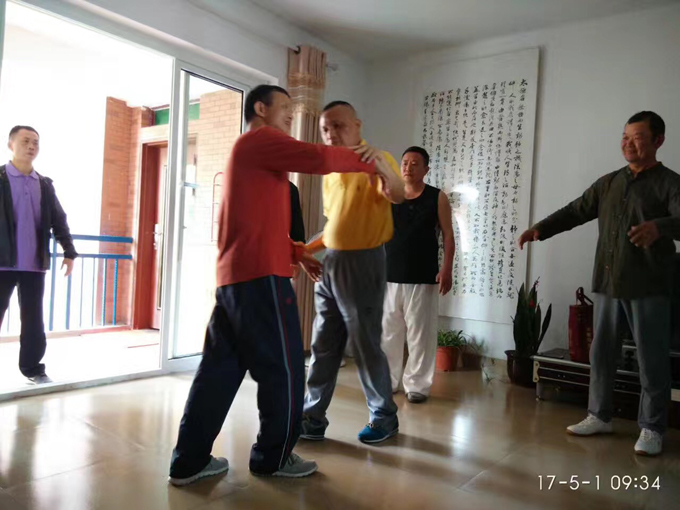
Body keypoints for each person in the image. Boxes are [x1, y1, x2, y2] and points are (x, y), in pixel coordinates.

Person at [168, 85, 396, 486]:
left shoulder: (254, 157)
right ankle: (273, 457)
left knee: (218, 371)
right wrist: (370, 160)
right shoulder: (261, 140)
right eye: (286, 107)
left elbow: (256, 223)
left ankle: (188, 462)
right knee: (286, 369)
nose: (292, 115)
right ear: (261, 108)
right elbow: (318, 158)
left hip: (236, 281)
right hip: (262, 280)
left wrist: (296, 252)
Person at [518, 111, 680, 456]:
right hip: (608, 282)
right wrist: (540, 229)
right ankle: (599, 415)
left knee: (652, 359)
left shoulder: (670, 183)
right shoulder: (609, 183)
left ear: (658, 141)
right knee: (602, 353)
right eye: (625, 136)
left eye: (637, 137)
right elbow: (576, 210)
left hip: (649, 286)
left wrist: (660, 227)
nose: (628, 143)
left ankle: (652, 428)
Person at [302, 101, 405, 445]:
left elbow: (398, 194)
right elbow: (335, 224)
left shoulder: (378, 160)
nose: (331, 133)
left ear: (357, 126)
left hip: (363, 261)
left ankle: (384, 417)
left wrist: (382, 168)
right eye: (325, 129)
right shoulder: (331, 172)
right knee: (323, 344)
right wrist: (304, 250)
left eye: (339, 126)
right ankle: (312, 417)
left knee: (365, 345)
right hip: (332, 263)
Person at [0, 126, 77, 385]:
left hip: (33, 264)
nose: (31, 146)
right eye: (25, 141)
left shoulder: (44, 184)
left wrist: (69, 251)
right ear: (11, 144)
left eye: (35, 142)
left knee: (33, 321)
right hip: (2, 263)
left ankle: (33, 369)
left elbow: (58, 219)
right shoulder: (0, 178)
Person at [381, 146, 455, 404]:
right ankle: (388, 381)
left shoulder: (437, 197)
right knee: (388, 333)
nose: (408, 168)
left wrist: (447, 268)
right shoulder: (389, 195)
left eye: (414, 164)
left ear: (426, 169)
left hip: (423, 276)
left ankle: (417, 385)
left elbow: (448, 235)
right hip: (390, 274)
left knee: (420, 334)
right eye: (404, 163)